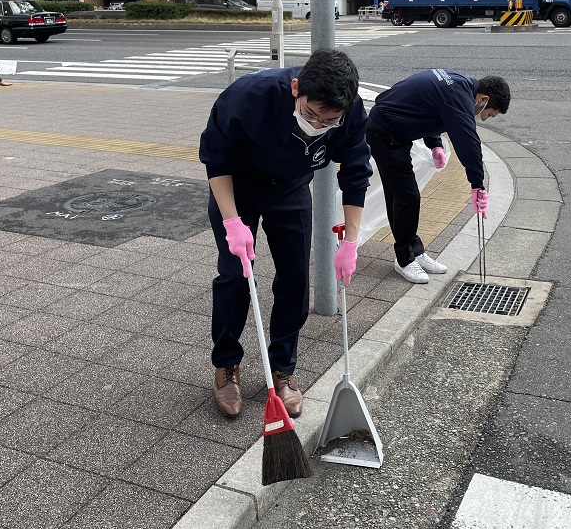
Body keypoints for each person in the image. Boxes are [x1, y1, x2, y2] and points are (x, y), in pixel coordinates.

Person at [199, 49, 371, 420]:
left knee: (295, 277)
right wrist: (232, 222)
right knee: (234, 276)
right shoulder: (248, 97)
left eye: (328, 121)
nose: (317, 124)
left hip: (291, 188)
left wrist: (351, 243)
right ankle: (226, 366)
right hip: (238, 188)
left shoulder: (350, 112)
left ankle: (283, 368)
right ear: (296, 88)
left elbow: (355, 172)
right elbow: (217, 160)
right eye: (310, 114)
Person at [366, 70, 510, 284]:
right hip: (385, 133)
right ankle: (404, 259)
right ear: (483, 99)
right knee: (407, 197)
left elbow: (426, 108)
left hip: (391, 129)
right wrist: (477, 184)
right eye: (488, 114)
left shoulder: (457, 85)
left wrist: (434, 143)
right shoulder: (460, 97)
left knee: (400, 195)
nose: (483, 118)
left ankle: (412, 249)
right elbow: (468, 142)